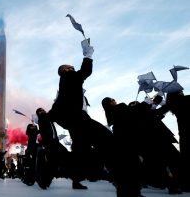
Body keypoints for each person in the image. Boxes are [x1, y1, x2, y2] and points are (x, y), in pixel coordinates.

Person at [48, 39, 114, 189]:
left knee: (80, 152)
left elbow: (57, 106)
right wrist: (88, 56)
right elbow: (84, 72)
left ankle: (77, 179)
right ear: (64, 71)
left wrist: (47, 116)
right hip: (80, 121)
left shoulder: (64, 85)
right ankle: (121, 181)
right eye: (69, 67)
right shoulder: (67, 77)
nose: (71, 67)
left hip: (75, 123)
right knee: (108, 140)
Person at [102, 97, 143, 197]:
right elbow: (132, 112)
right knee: (133, 167)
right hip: (127, 141)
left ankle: (130, 192)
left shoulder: (110, 113)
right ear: (110, 103)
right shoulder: (120, 107)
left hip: (121, 142)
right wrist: (144, 104)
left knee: (127, 169)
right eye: (113, 100)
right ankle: (134, 192)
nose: (115, 100)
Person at [166, 91, 190, 192]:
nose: (182, 92)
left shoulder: (174, 104)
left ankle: (186, 184)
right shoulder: (184, 101)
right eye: (180, 91)